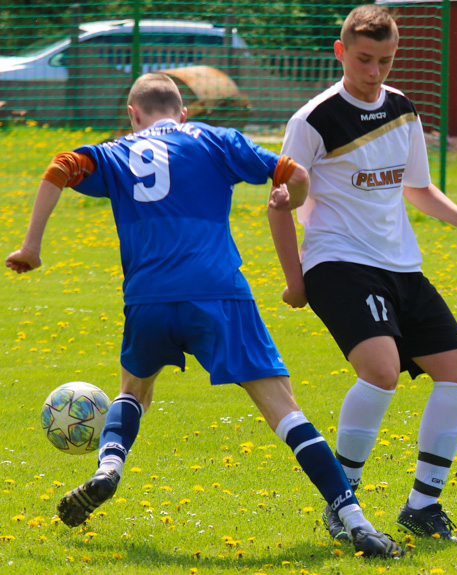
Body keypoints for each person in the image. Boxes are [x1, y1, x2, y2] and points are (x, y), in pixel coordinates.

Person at [5, 73, 401, 559]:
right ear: (184, 111)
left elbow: (59, 167)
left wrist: (31, 245)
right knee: (283, 409)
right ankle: (355, 519)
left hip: (147, 298)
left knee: (133, 391)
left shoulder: (117, 150)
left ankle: (110, 465)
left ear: (132, 114)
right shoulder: (216, 139)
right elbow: (296, 175)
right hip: (218, 294)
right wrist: (288, 199)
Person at [270, 4, 457, 543]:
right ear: (341, 52)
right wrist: (296, 279)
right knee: (382, 370)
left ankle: (422, 506)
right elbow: (279, 204)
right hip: (338, 262)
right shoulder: (313, 120)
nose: (375, 72)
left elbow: (417, 187)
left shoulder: (402, 107)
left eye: (386, 61)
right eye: (364, 59)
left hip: (400, 263)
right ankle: (341, 498)